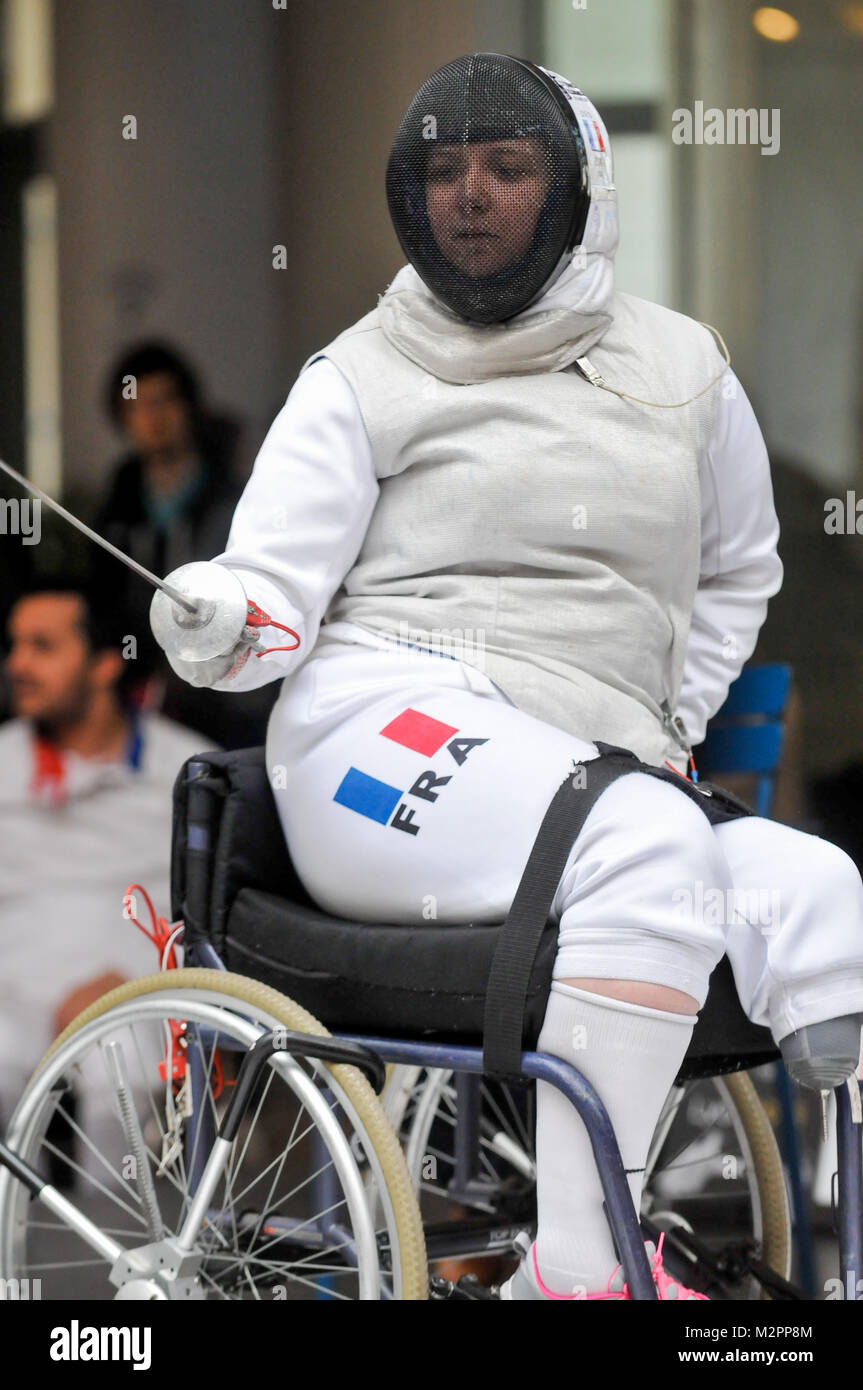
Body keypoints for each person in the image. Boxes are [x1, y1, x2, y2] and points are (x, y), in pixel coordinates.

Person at [149, 55, 863, 1300]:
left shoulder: (683, 368)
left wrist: (671, 721)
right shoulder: (358, 375)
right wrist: (218, 617)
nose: (468, 196)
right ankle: (576, 1277)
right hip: (379, 737)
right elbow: (268, 597)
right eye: (441, 171)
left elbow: (740, 567)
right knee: (641, 843)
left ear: (578, 187)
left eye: (506, 167)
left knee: (820, 890)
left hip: (589, 772)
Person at [0, 578, 209, 1126]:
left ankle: (118, 1215)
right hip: (10, 995)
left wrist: (135, 983)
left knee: (125, 1067)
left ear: (105, 663)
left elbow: (212, 924)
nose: (17, 664)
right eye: (14, 645)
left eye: (42, 647)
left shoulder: (190, 773)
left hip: (136, 997)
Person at [95, 341, 276, 748]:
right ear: (123, 418)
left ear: (189, 407)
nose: (153, 417)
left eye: (164, 401)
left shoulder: (234, 496)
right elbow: (105, 601)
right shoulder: (118, 506)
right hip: (138, 700)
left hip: (223, 697)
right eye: (138, 405)